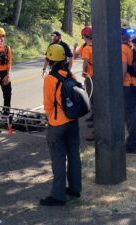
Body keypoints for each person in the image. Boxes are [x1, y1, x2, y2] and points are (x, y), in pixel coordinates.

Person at [40, 44, 81, 206]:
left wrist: (51, 119)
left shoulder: (50, 79)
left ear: (50, 60)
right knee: (74, 156)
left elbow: (48, 104)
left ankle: (58, 196)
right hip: (73, 122)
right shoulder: (70, 75)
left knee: (58, 159)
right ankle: (75, 189)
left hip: (58, 124)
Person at [121, 28, 136, 154]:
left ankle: (132, 144)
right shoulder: (133, 46)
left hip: (128, 85)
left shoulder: (122, 49)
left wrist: (119, 83)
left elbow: (124, 68)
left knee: (130, 115)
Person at [73, 26, 94, 141]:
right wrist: (75, 48)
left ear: (84, 36)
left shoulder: (87, 48)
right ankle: (94, 122)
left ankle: (95, 131)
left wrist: (84, 72)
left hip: (91, 77)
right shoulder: (96, 45)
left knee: (93, 101)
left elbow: (85, 62)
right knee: (95, 100)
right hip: (98, 76)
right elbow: (75, 55)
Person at [0, 27, 12, 114]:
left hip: (4, 73)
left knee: (8, 94)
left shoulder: (7, 48)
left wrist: (8, 75)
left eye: (2, 36)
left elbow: (9, 63)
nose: (1, 38)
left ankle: (6, 113)